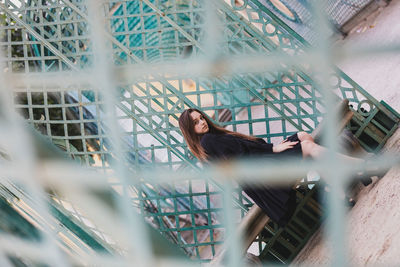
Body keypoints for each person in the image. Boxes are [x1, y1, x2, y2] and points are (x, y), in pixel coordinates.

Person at [178, 108, 374, 227]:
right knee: (307, 146)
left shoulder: (211, 139)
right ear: (190, 130)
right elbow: (243, 158)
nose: (202, 122)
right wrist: (274, 148)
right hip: (264, 178)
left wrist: (273, 149)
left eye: (201, 118)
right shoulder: (209, 141)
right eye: (196, 122)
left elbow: (247, 151)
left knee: (303, 136)